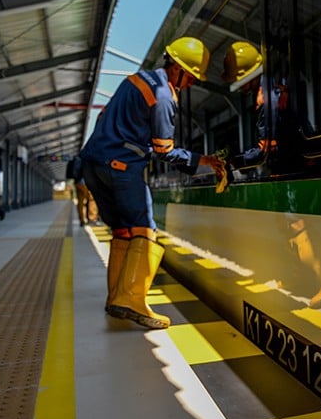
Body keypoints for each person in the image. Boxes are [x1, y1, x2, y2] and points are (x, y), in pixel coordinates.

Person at [78, 36, 225, 329]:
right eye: (192, 77)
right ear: (178, 69)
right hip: (122, 165)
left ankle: (115, 298)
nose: (191, 84)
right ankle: (130, 299)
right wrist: (204, 161)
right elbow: (164, 150)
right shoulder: (163, 96)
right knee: (145, 230)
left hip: (92, 164)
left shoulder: (135, 80)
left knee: (122, 231)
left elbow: (103, 117)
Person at [221, 41, 288, 166]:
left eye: (237, 80)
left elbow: (267, 150)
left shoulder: (265, 98)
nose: (237, 86)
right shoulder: (270, 85)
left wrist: (236, 161)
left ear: (249, 75)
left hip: (291, 164)